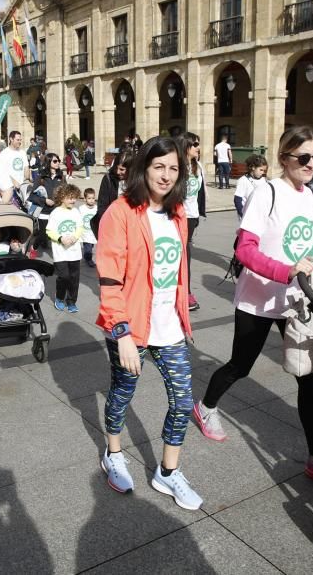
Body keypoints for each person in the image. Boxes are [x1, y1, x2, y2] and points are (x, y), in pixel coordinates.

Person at [193, 126, 313, 490]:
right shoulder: (267, 192)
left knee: (308, 375)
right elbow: (245, 249)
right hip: (258, 298)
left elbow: (311, 248)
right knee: (241, 365)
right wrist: (285, 271)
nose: (312, 164)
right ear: (285, 157)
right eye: (304, 158)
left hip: (297, 301)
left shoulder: (311, 197)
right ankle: (205, 406)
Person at [96, 136, 203, 510]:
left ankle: (168, 473)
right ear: (144, 167)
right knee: (123, 391)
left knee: (183, 398)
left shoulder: (178, 214)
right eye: (159, 166)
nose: (166, 175)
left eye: (174, 168)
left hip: (168, 325)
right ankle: (112, 451)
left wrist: (182, 309)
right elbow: (109, 276)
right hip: (130, 324)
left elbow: (177, 269)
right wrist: (121, 332)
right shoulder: (121, 212)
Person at [46, 183, 84, 312]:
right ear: (62, 198)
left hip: (74, 252)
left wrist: (74, 237)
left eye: (74, 198)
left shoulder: (76, 211)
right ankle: (60, 298)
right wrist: (61, 238)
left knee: (74, 278)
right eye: (70, 197)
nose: (73, 200)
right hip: (60, 252)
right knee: (64, 276)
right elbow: (49, 230)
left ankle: (72, 301)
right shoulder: (55, 213)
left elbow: (80, 227)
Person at [182, 132, 206, 311]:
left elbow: (200, 193)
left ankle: (185, 292)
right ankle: (184, 293)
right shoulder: (177, 167)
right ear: (186, 146)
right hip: (178, 216)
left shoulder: (198, 166)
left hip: (192, 216)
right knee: (182, 256)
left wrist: (198, 215)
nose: (198, 147)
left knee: (186, 255)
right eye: (195, 144)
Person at [27, 152, 66, 253]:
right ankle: (33, 248)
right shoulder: (41, 177)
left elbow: (66, 192)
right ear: (49, 162)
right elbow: (31, 196)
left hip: (57, 211)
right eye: (55, 161)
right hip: (44, 212)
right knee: (43, 234)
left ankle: (58, 255)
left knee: (58, 233)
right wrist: (45, 200)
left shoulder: (61, 177)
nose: (58, 163)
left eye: (58, 161)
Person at [92, 152, 133, 240]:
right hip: (112, 227)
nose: (118, 172)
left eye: (122, 169)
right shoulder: (108, 179)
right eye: (116, 168)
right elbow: (102, 206)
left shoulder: (137, 182)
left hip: (131, 228)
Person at [234, 153, 268, 219]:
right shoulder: (243, 180)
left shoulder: (264, 180)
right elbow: (237, 199)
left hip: (260, 214)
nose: (262, 172)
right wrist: (242, 213)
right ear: (253, 167)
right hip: (247, 215)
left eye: (264, 170)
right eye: (261, 170)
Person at [80, 187, 98, 268]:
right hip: (85, 232)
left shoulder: (97, 208)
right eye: (89, 198)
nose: (91, 200)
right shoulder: (81, 209)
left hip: (93, 232)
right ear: (85, 199)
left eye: (93, 198)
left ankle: (87, 256)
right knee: (88, 247)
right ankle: (88, 259)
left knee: (91, 245)